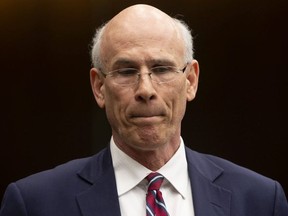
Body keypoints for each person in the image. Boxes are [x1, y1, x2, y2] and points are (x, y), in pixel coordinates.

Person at [0, 4, 287, 216]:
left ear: (190, 81)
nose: (145, 89)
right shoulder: (35, 204)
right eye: (126, 71)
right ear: (99, 87)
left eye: (161, 69)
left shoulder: (259, 200)